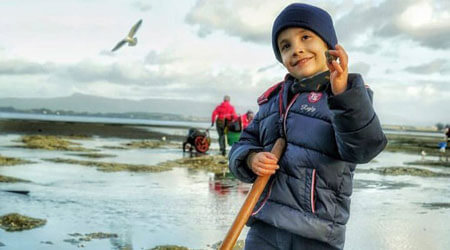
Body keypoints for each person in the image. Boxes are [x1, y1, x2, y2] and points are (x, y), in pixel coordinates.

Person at [228, 3, 387, 250]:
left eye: (305, 37)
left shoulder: (348, 96)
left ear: (328, 45)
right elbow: (243, 143)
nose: (297, 49)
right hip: (265, 226)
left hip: (317, 233)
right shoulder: (272, 102)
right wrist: (250, 158)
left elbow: (363, 148)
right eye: (286, 45)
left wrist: (342, 92)